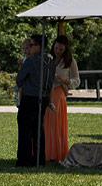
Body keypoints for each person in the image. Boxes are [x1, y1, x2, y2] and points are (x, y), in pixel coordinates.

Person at [43, 32, 79, 163]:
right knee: (45, 123)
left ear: (66, 50)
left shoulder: (70, 61)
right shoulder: (47, 58)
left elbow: (76, 80)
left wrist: (66, 81)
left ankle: (56, 153)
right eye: (56, 48)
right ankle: (44, 152)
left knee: (56, 123)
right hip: (46, 91)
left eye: (61, 49)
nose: (57, 51)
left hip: (59, 93)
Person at [16, 38, 52, 167]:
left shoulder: (31, 61)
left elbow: (19, 79)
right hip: (43, 98)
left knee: (25, 129)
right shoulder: (49, 61)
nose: (29, 48)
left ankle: (24, 160)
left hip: (30, 97)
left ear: (38, 46)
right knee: (38, 129)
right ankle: (39, 159)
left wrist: (21, 70)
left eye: (31, 45)